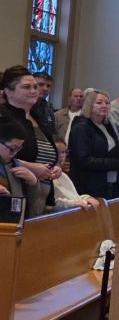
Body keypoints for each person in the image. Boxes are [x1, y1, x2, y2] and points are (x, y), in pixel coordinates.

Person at [0, 66, 61, 216]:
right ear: (9, 92)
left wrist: (56, 167)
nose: (34, 91)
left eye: (35, 87)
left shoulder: (39, 116)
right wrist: (29, 167)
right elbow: (5, 152)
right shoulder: (3, 117)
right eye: (26, 87)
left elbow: (51, 150)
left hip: (41, 193)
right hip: (15, 189)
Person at [68, 89, 119, 200]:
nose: (104, 105)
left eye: (107, 103)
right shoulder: (81, 127)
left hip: (111, 182)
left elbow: (111, 152)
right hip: (89, 185)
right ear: (89, 105)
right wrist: (117, 163)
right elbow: (84, 160)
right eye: (99, 103)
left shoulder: (107, 125)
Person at [0, 118, 39, 215]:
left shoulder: (16, 165)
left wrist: (33, 181)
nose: (14, 153)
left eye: (18, 149)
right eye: (12, 148)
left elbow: (31, 205)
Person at [51, 139, 98, 211]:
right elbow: (50, 205)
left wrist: (86, 198)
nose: (61, 156)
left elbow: (73, 196)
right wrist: (73, 204)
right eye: (57, 152)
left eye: (63, 152)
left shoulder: (63, 175)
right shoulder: (46, 177)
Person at [30, 72, 58, 139]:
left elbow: (54, 133)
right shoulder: (24, 107)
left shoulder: (49, 109)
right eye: (40, 84)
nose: (46, 89)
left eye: (48, 86)